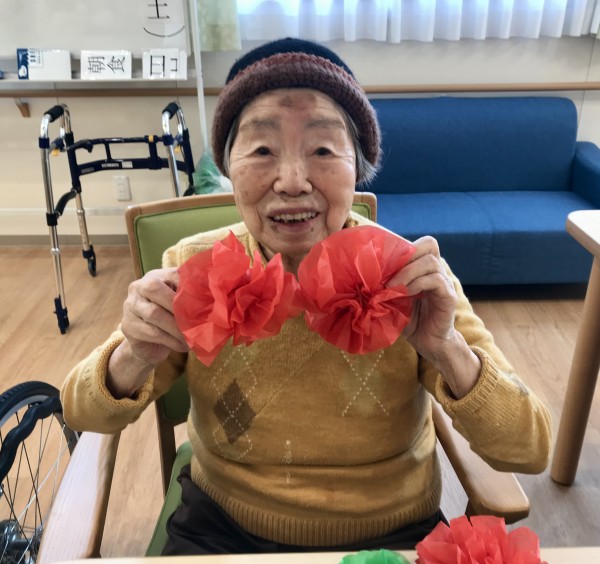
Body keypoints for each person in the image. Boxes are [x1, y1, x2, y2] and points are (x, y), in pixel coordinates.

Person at [61, 38, 552, 555]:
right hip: (222, 525)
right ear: (228, 168)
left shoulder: (410, 278)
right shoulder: (193, 268)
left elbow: (529, 448)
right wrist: (134, 354)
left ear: (357, 167)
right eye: (262, 150)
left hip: (390, 531)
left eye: (322, 150)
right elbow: (83, 413)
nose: (292, 182)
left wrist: (446, 348)